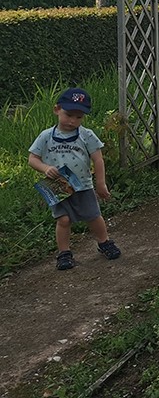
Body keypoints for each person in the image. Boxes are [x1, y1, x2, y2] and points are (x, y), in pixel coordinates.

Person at [28, 87, 121, 270]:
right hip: (58, 187)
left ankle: (105, 242)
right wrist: (45, 168)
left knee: (93, 216)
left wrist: (100, 183)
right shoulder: (46, 136)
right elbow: (32, 159)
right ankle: (64, 253)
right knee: (63, 220)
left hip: (84, 186)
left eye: (79, 117)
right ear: (57, 109)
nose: (73, 121)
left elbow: (98, 159)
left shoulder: (86, 135)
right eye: (69, 114)